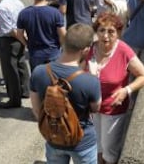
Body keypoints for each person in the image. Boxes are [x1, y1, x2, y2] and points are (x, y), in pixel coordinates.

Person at [83, 12, 144, 164]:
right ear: (96, 32)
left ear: (119, 33)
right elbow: (79, 73)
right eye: (101, 30)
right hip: (92, 109)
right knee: (97, 147)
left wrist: (126, 90)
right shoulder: (90, 50)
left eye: (111, 32)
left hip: (113, 110)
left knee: (109, 150)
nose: (105, 36)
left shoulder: (123, 51)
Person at [30, 23, 102, 164]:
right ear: (86, 50)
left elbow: (37, 109)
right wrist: (94, 76)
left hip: (54, 138)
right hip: (82, 142)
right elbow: (96, 109)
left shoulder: (38, 71)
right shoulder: (90, 81)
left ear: (64, 42)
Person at [0, 0, 30, 108]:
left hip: (8, 41)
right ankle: (25, 90)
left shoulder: (1, 8)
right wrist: (24, 40)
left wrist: (24, 41)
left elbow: (10, 30)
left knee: (10, 71)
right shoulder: (17, 2)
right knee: (21, 65)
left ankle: (14, 99)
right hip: (19, 38)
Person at [17, 0, 66, 71]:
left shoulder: (23, 14)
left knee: (38, 81)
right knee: (55, 81)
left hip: (35, 54)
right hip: (53, 53)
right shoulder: (55, 13)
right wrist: (61, 47)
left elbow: (19, 34)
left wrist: (27, 44)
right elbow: (62, 34)